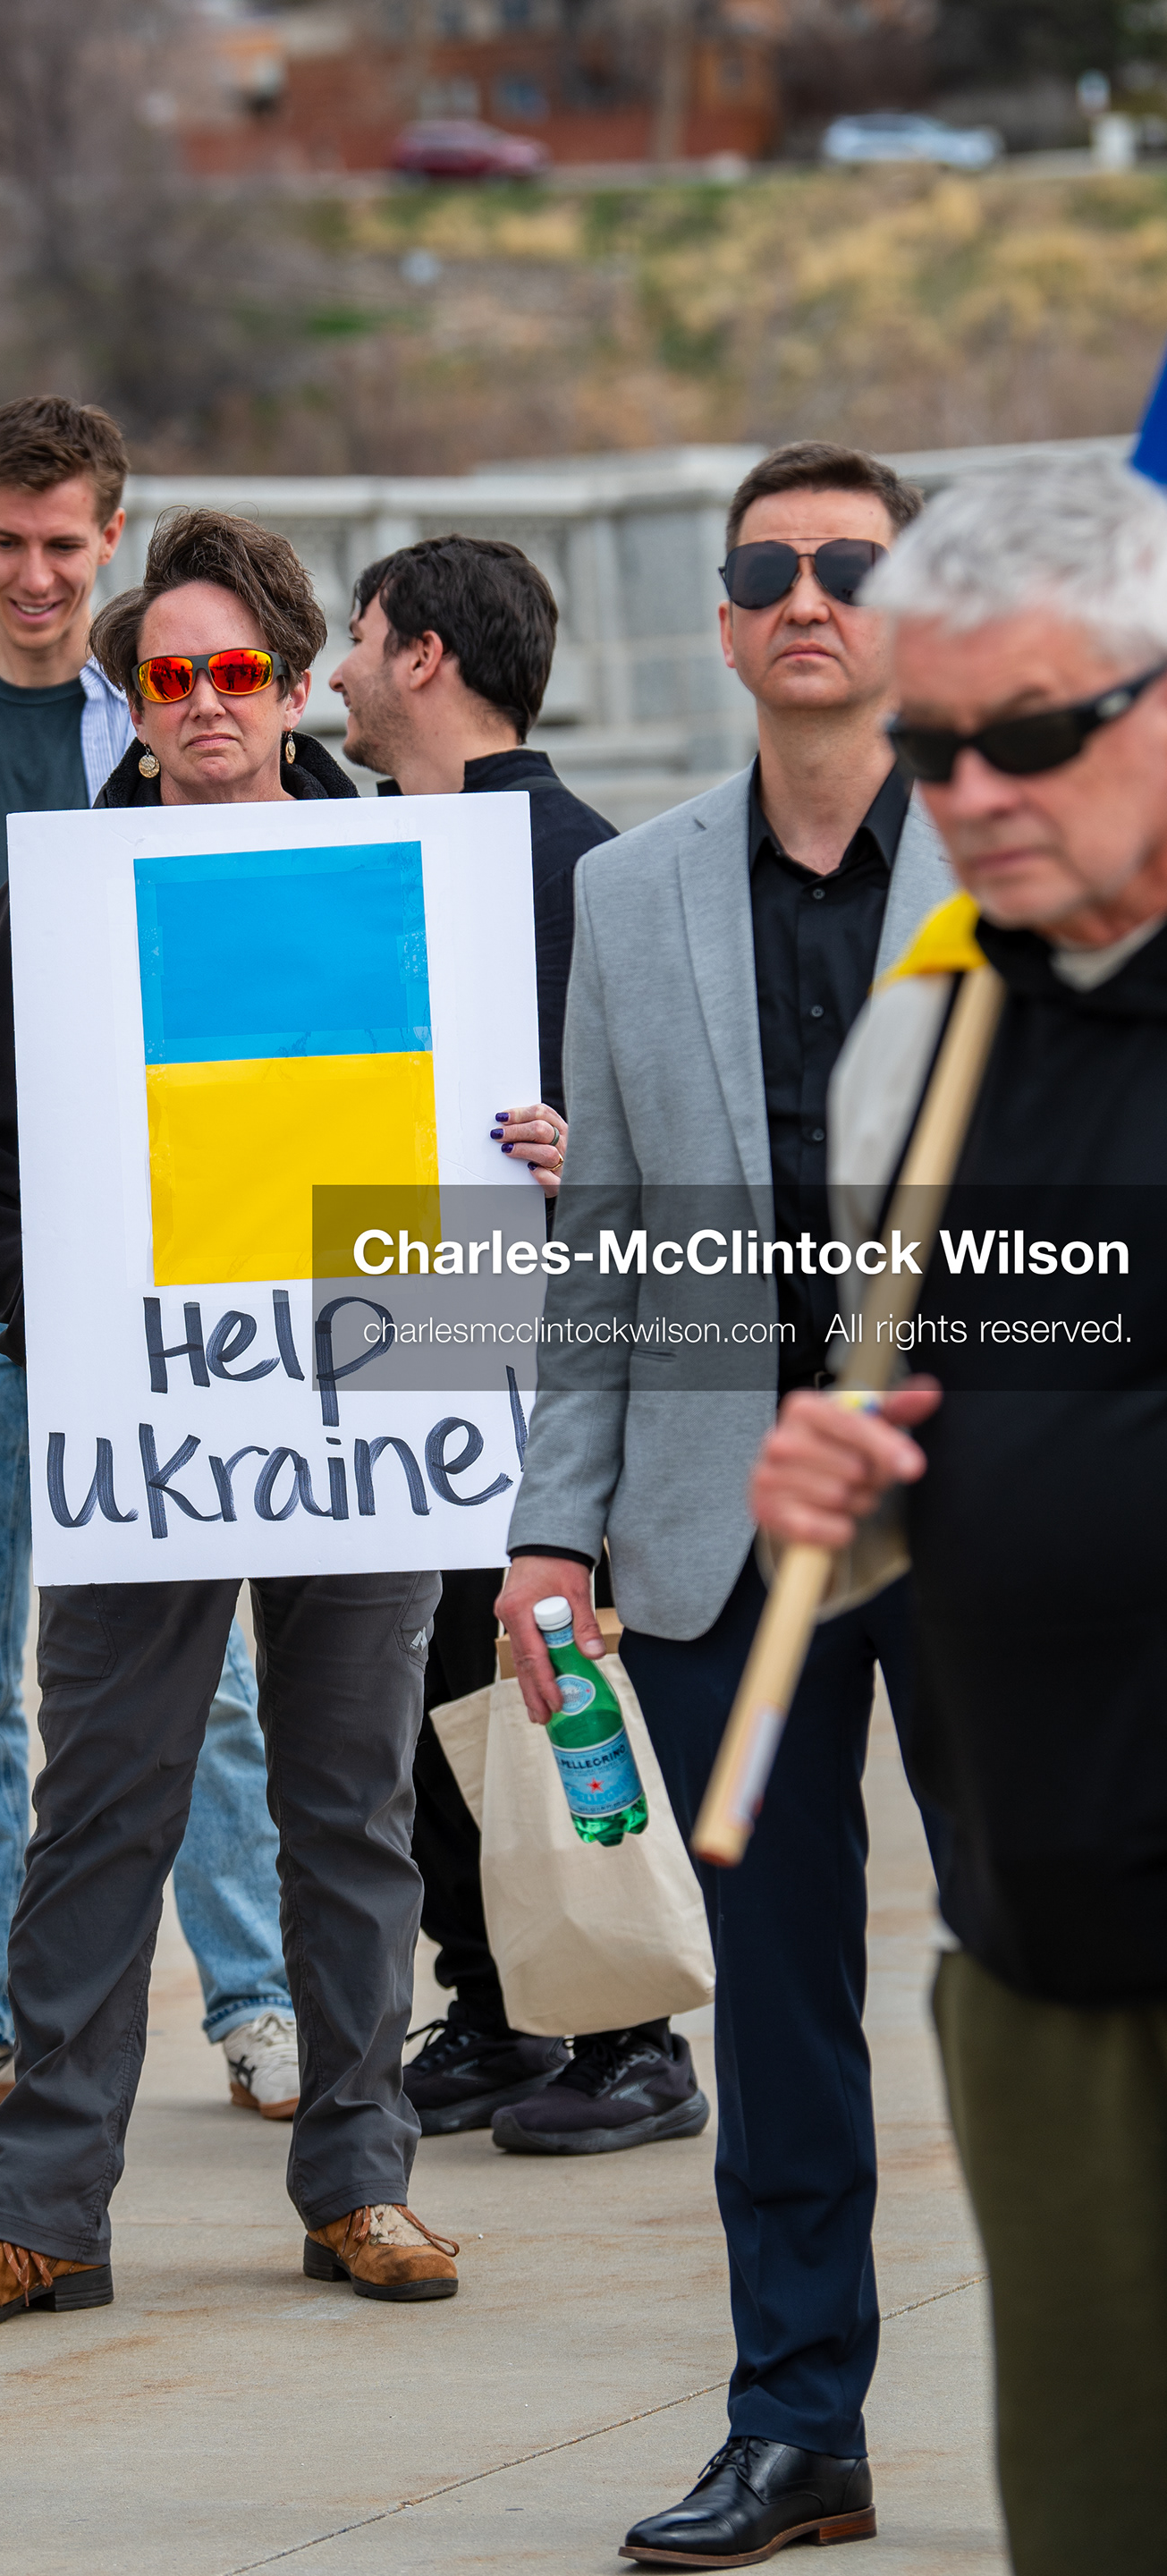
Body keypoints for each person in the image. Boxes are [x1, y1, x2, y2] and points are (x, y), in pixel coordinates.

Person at [0, 505, 461, 2329]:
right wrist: (70, 1343)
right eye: (168, 677)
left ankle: (362, 2184)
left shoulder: (413, 875)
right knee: (102, 1809)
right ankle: (40, 2213)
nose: (203, 703)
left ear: (295, 688)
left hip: (368, 1396)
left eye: (235, 672)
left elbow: (487, 1127)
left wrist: (521, 1174)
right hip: (150, 1429)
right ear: (134, 704)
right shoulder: (59, 897)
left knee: (351, 1808)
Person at [497, 442, 957, 2568]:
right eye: (767, 567)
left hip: (1002, 1512)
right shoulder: (635, 887)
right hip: (720, 1526)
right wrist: (552, 1527)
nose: (807, 596)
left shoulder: (1035, 852)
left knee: (1074, 1973)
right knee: (770, 2005)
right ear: (720, 616)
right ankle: (801, 2431)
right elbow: (599, 1241)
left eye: (848, 566)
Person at [748, 450, 1167, 2576]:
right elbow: (944, 1411)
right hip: (1049, 1958)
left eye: (1031, 738)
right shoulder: (935, 1039)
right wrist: (857, 1479)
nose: (973, 795)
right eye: (932, 746)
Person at [0, 397, 300, 2126]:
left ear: (111, 538)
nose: (37, 574)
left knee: (214, 1662)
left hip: (149, 1250)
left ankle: (254, 2000)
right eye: (8, 542)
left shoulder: (179, 711)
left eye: (66, 544)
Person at [331, 532, 708, 2154]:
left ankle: (634, 2035)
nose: (334, 671)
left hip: (547, 1333)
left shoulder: (587, 867)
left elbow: (693, 1133)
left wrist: (598, 1153)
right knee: (431, 1684)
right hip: (410, 1298)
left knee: (551, 1671)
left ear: (423, 655)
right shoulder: (374, 851)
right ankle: (494, 2003)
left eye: (355, 637)